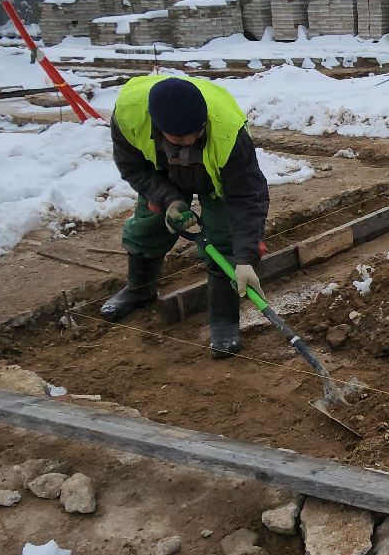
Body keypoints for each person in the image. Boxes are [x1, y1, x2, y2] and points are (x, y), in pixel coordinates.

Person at [101, 74, 271, 358]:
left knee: (224, 241)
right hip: (162, 171)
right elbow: (132, 168)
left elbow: (247, 198)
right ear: (157, 125)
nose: (191, 139)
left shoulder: (229, 134)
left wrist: (244, 259)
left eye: (197, 131)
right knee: (147, 228)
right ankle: (139, 290)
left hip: (215, 179)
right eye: (180, 137)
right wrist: (168, 199)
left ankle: (223, 323)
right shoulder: (129, 115)